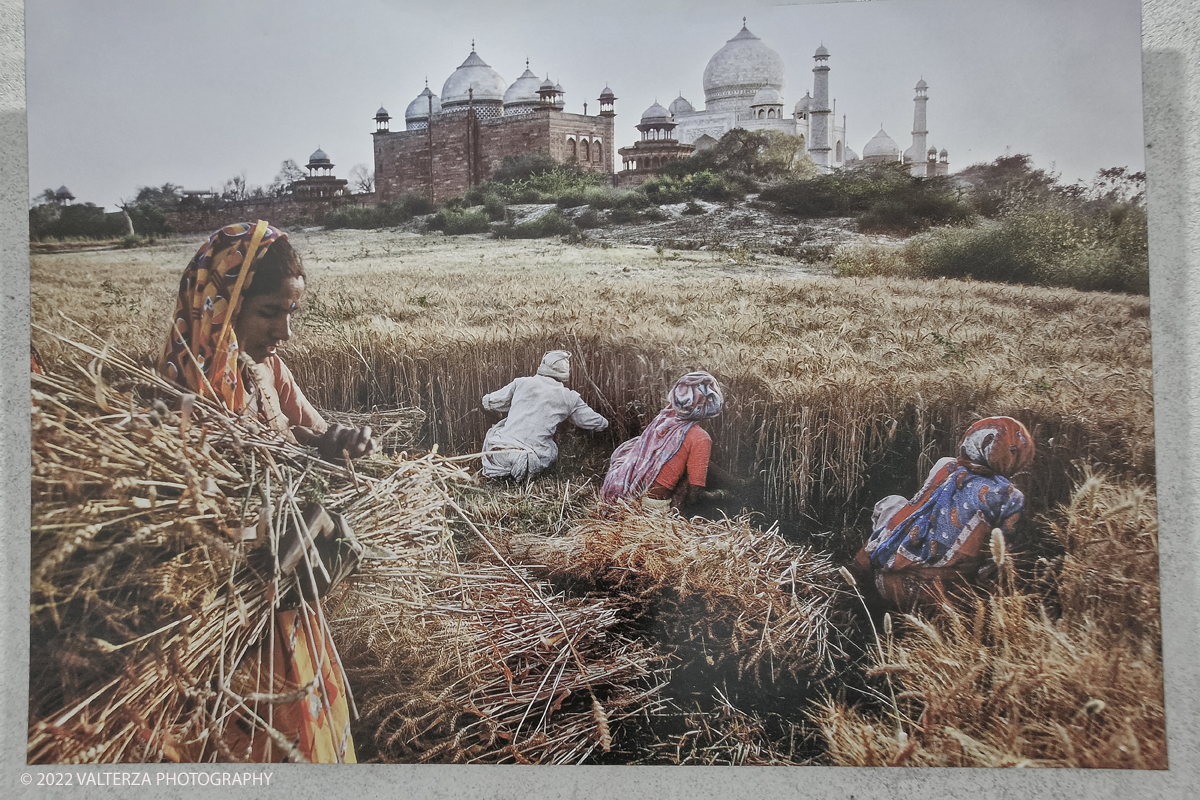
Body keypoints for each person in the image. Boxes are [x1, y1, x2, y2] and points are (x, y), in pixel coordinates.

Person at [158, 220, 371, 762]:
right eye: (269, 313)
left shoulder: (267, 370)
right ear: (220, 305)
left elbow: (307, 435)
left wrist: (337, 443)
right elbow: (194, 513)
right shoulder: (184, 391)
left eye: (291, 313)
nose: (285, 332)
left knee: (297, 727)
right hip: (228, 608)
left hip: (283, 597)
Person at [850, 416, 1035, 610]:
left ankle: (859, 575)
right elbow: (999, 565)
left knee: (895, 504)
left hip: (884, 580)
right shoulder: (1011, 497)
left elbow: (910, 515)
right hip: (938, 597)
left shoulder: (946, 466)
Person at [601, 371, 727, 513]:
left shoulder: (663, 420)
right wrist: (723, 495)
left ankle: (741, 483)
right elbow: (694, 497)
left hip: (626, 496)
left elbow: (704, 464)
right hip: (652, 507)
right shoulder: (700, 437)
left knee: (690, 463)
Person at [480, 350, 609, 481]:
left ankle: (506, 470)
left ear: (543, 364)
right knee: (551, 449)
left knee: (496, 432)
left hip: (501, 452)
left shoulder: (522, 382)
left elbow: (488, 402)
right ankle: (522, 470)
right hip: (534, 459)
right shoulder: (569, 397)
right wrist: (607, 422)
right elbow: (598, 423)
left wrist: (500, 417)